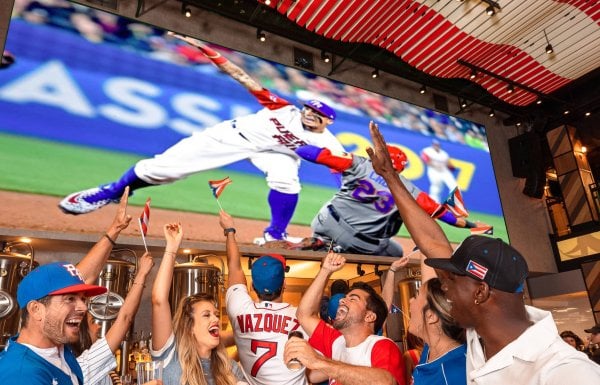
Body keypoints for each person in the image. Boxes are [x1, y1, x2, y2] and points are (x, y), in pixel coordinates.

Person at [366, 121, 600, 384]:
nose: (442, 289)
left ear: (481, 292)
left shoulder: (566, 372)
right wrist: (390, 176)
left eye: (449, 282)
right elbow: (434, 243)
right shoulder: (479, 339)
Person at [59, 34, 344, 244]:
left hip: (273, 151)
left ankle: (275, 234)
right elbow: (244, 78)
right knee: (163, 169)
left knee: (287, 178)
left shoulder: (329, 141)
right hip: (232, 136)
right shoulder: (284, 108)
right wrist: (210, 51)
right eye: (308, 107)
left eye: (315, 112)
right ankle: (111, 191)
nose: (308, 112)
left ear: (327, 121)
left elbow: (343, 167)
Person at [295, 144, 492, 256]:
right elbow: (450, 219)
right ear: (401, 168)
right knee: (396, 252)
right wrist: (474, 225)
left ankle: (322, 242)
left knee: (332, 209)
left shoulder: (359, 163)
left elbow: (308, 153)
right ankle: (340, 251)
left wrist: (300, 144)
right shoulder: (411, 191)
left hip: (326, 221)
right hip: (363, 243)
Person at [285, 252, 405, 385]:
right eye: (345, 297)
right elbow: (304, 314)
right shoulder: (337, 342)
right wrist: (325, 271)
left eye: (353, 299)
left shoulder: (381, 345)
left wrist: (318, 361)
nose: (342, 300)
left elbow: (386, 382)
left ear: (369, 316)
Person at [150, 222, 248, 385]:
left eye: (216, 314)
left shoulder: (230, 369)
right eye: (206, 315)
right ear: (190, 326)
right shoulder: (171, 358)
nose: (215, 319)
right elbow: (159, 300)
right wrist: (172, 248)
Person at [218, 210, 307, 385]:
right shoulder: (302, 317)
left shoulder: (240, 309)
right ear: (284, 285)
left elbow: (234, 266)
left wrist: (230, 231)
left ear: (252, 287)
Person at [0, 262, 108, 385]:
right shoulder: (21, 374)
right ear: (36, 310)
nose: (83, 307)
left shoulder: (59, 350)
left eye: (83, 299)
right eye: (70, 299)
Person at [70, 252, 154, 385]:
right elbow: (125, 317)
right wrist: (142, 274)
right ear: (81, 330)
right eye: (92, 322)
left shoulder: (74, 365)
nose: (98, 326)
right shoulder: (86, 364)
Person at [382, 254, 466, 385]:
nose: (410, 300)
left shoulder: (455, 372)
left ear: (431, 316)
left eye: (416, 296)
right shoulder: (432, 349)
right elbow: (430, 281)